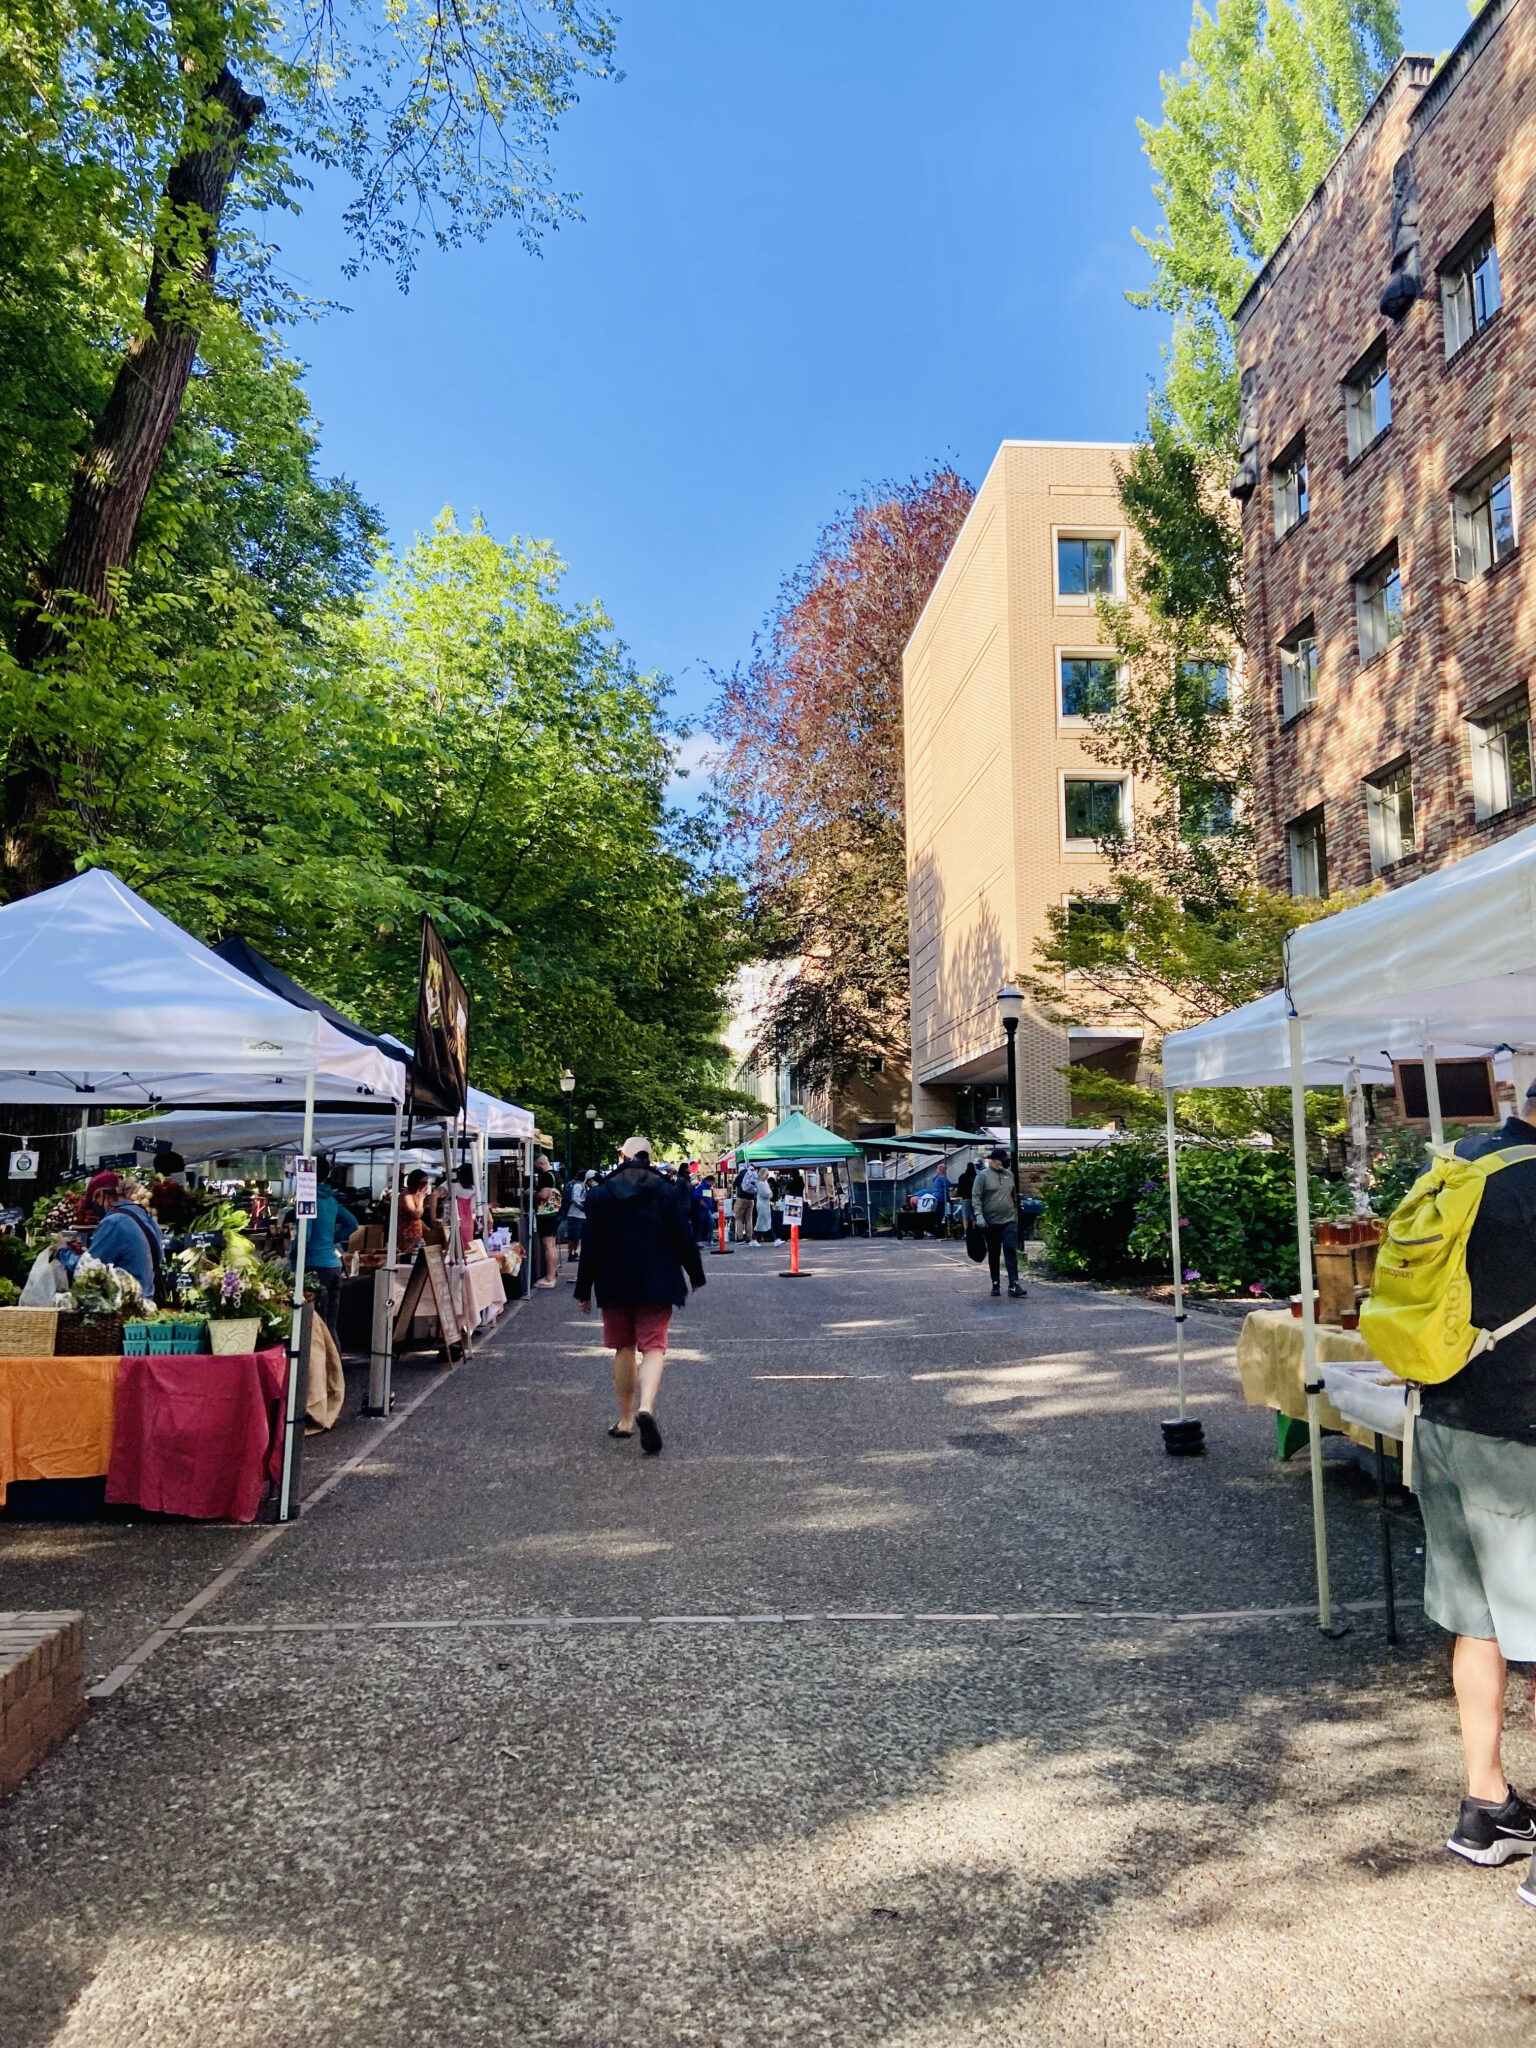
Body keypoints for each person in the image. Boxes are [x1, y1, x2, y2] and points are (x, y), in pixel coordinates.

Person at [1412, 1087, 1536, 1896]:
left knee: (1479, 1621)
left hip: (1442, 1419)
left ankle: (1486, 1807)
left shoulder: (1464, 1165)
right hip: (1521, 1435)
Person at [575, 1134, 705, 1455]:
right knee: (654, 1346)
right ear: (649, 1156)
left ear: (622, 1156)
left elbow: (589, 1246)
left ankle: (624, 1420)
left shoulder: (601, 1194)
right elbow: (683, 1237)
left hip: (614, 1282)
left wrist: (583, 1290)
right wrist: (695, 1274)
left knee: (623, 1347)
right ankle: (646, 1407)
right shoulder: (665, 1190)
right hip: (658, 1280)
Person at [83, 1171, 164, 1304]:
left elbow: (91, 1269)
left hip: (128, 1305)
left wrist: (64, 1252)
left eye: (95, 1199)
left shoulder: (113, 1222)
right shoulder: (144, 1213)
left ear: (103, 1194)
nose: (95, 1206)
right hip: (150, 1299)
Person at [299, 1162, 359, 1340]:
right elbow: (352, 1224)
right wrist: (332, 1239)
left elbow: (305, 1235)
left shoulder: (308, 1199)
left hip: (315, 1265)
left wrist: (295, 1255)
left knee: (317, 1322)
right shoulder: (331, 1200)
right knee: (330, 1323)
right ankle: (335, 1364)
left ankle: (319, 1367)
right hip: (333, 1265)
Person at [971, 1146, 1026, 1299]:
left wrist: (1015, 1214)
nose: (1003, 1164)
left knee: (1010, 1250)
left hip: (1009, 1220)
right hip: (990, 1222)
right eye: (1001, 1161)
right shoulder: (983, 1176)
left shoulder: (1010, 1175)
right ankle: (995, 1283)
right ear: (993, 1161)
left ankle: (1014, 1284)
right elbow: (976, 1197)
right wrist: (979, 1215)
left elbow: (1013, 1195)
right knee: (994, 1253)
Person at [532, 1153, 563, 1288]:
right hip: (555, 1213)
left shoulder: (545, 1176)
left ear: (541, 1164)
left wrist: (531, 1193)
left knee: (548, 1245)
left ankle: (550, 1278)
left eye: (536, 1166)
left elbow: (544, 1195)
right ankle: (552, 1274)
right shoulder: (556, 1175)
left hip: (546, 1214)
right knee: (552, 1245)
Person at [733, 1162, 758, 1246]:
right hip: (751, 1200)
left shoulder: (742, 1173)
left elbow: (734, 1184)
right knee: (749, 1219)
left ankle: (740, 1238)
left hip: (741, 1199)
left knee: (739, 1219)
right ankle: (749, 1237)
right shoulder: (754, 1174)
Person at [929, 1165, 951, 1238]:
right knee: (941, 1215)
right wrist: (959, 1184)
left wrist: (938, 1172)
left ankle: (936, 1231)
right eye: (945, 1169)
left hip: (935, 1197)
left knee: (937, 1215)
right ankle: (940, 1232)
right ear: (944, 1170)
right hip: (942, 1198)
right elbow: (949, 1185)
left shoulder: (936, 1178)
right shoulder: (943, 1178)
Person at [754, 1168, 774, 1245]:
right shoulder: (761, 1184)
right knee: (763, 1222)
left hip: (764, 1205)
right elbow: (768, 1194)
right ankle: (775, 1238)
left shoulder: (762, 1183)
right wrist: (770, 1194)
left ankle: (754, 1239)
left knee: (762, 1222)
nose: (768, 1176)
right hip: (762, 1205)